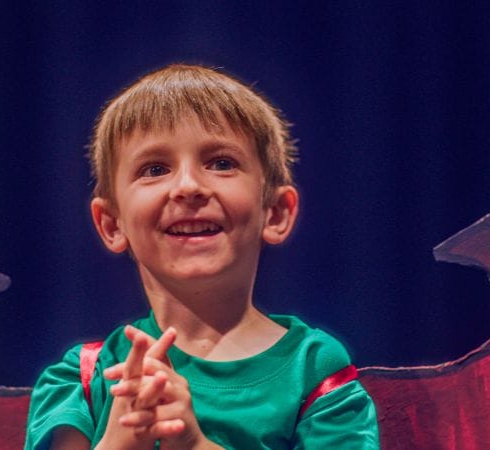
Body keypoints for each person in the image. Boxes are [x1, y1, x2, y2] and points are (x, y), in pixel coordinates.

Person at [24, 64, 380, 450]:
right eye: (155, 168)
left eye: (221, 163)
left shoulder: (312, 369)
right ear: (112, 224)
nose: (188, 186)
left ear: (275, 213)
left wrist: (194, 444)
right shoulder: (83, 378)